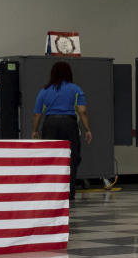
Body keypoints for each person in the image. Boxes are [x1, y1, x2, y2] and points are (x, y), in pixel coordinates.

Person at [31, 61, 92, 200]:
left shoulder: (44, 90)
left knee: (50, 157)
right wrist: (87, 129)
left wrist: (35, 130)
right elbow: (82, 111)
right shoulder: (76, 89)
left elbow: (37, 114)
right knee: (72, 157)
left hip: (50, 123)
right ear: (69, 73)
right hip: (69, 124)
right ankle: (69, 193)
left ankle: (51, 192)